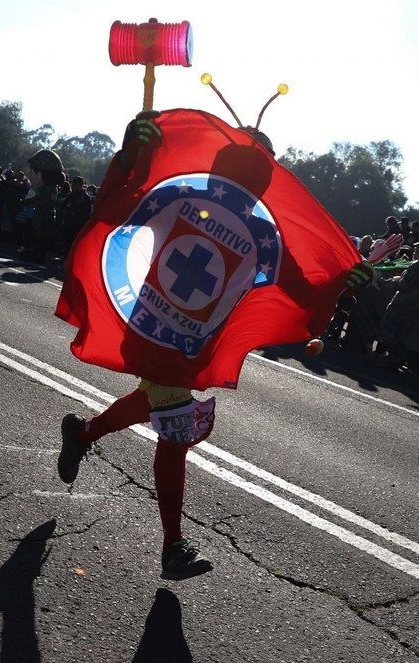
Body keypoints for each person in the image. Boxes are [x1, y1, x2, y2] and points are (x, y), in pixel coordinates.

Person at [54, 107, 369, 580]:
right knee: (175, 428)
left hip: (193, 340)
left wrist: (343, 282)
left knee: (154, 405)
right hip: (155, 325)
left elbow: (299, 286)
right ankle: (172, 546)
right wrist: (130, 155)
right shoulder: (180, 194)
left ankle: (81, 433)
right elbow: (119, 205)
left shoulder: (264, 232)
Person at [374, 236, 419, 368]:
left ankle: (390, 357)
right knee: (403, 332)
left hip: (402, 302)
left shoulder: (416, 265)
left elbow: (404, 285)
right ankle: (397, 358)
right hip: (415, 304)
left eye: (417, 248)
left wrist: (392, 280)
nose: (415, 249)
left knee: (390, 328)